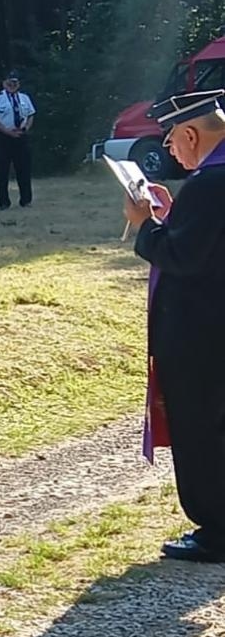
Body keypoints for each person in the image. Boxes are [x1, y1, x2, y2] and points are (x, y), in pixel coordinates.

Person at [126, 90, 225, 563]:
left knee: (202, 429)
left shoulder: (210, 184)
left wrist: (145, 226)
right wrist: (170, 218)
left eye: (170, 138)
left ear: (190, 134)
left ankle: (217, 531)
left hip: (204, 334)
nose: (168, 148)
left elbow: (183, 256)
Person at [0, 70, 35, 209]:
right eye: (9, 82)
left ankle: (26, 200)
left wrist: (25, 129)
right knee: (3, 171)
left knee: (24, 169)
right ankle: (3, 202)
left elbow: (31, 115)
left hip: (21, 136)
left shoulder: (24, 98)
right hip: (3, 137)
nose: (12, 85)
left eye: (15, 82)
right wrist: (6, 131)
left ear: (18, 84)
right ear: (4, 83)